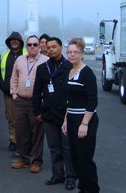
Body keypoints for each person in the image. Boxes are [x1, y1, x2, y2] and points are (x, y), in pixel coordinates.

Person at [32, 37, 77, 190]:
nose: (50, 49)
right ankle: (57, 174)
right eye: (48, 47)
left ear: (61, 48)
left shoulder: (70, 67)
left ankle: (71, 177)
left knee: (68, 148)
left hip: (66, 115)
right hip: (49, 114)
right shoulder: (42, 68)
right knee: (54, 147)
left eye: (54, 47)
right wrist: (37, 111)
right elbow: (37, 92)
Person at [62, 38, 100, 193]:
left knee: (85, 158)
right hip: (71, 118)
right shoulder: (70, 72)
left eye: (75, 52)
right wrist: (66, 120)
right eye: (69, 52)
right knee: (75, 157)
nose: (72, 55)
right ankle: (83, 187)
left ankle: (91, 189)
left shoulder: (87, 73)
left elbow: (92, 101)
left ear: (82, 54)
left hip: (85, 120)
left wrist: (84, 124)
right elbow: (69, 100)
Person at [10, 35, 48, 173]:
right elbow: (14, 77)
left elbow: (49, 83)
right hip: (20, 101)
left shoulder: (46, 61)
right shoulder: (20, 60)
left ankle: (37, 161)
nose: (32, 46)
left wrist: (44, 101)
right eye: (29, 44)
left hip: (36, 103)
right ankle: (24, 160)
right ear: (26, 47)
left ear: (39, 46)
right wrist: (14, 94)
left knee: (37, 133)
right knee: (21, 132)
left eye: (35, 44)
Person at [0, 31, 27, 152]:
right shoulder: (4, 55)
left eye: (16, 40)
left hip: (25, 94)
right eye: (11, 40)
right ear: (8, 42)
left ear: (21, 42)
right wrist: (3, 86)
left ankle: (25, 142)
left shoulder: (27, 54)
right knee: (11, 118)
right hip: (9, 94)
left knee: (25, 119)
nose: (14, 42)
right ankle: (13, 141)